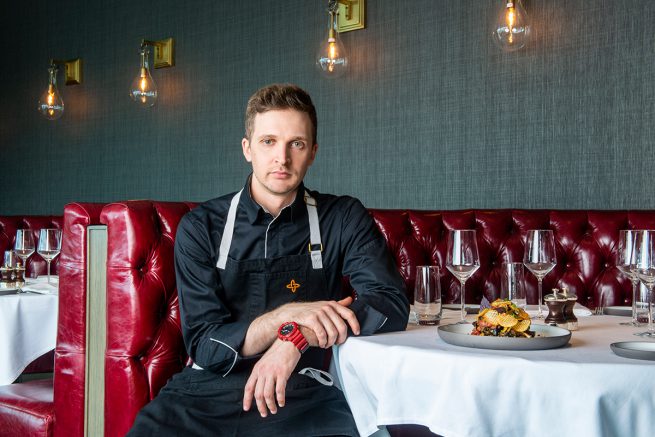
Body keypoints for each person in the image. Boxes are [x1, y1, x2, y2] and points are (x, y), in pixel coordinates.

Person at [128, 83, 409, 436]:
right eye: (268, 141)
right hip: (208, 394)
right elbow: (205, 344)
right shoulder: (201, 228)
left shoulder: (342, 217)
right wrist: (284, 316)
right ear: (247, 149)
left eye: (297, 144)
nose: (282, 158)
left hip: (305, 391)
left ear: (313, 152)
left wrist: (297, 336)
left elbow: (389, 303)